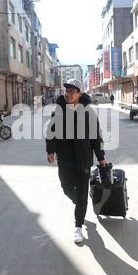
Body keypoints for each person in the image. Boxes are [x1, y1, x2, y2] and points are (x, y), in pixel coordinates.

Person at [46, 78, 107, 244]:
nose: (68, 94)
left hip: (83, 159)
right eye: (67, 91)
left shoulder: (88, 113)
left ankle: (78, 226)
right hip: (65, 159)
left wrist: (101, 157)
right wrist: (50, 150)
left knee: (81, 194)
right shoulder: (58, 111)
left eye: (72, 91)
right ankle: (79, 203)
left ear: (80, 94)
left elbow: (96, 137)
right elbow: (50, 132)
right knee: (66, 188)